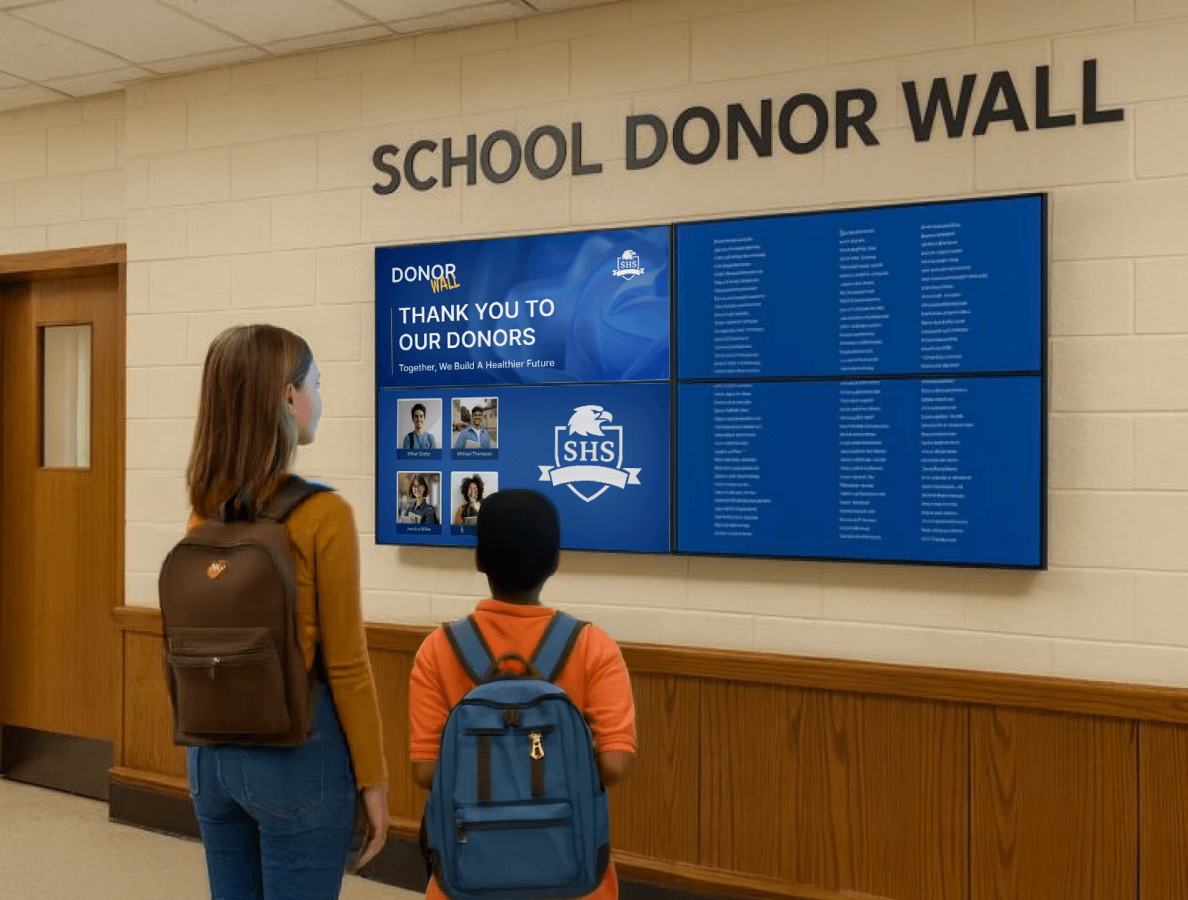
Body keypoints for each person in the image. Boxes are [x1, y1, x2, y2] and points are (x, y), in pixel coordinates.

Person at [183, 324, 388, 900]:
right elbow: (347, 666)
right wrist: (373, 783)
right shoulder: (324, 515)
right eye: (316, 382)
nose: (320, 397)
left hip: (209, 762)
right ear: (287, 397)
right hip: (297, 754)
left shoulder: (204, 512)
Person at [409, 489, 636, 900]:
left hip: (466, 877)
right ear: (555, 561)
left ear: (479, 561)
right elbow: (615, 766)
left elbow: (425, 772)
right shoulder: (593, 646)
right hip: (574, 876)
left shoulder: (437, 648)